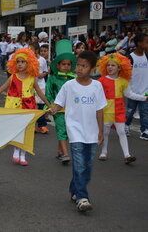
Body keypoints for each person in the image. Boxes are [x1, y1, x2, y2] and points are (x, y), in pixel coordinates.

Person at [50, 50, 107, 212]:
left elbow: (99, 110)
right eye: (79, 65)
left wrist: (101, 131)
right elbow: (59, 103)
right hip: (75, 131)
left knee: (87, 166)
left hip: (92, 131)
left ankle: (74, 189)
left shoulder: (97, 86)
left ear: (92, 69)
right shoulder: (69, 85)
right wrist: (53, 110)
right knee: (80, 164)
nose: (80, 69)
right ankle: (82, 197)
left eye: (84, 66)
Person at [0, 48, 51, 166]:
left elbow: (39, 93)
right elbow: (0, 89)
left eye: (23, 62)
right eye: (18, 62)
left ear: (29, 63)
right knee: (15, 130)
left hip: (28, 107)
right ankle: (16, 150)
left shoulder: (32, 78)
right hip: (14, 107)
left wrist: (49, 105)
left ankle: (23, 154)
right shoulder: (13, 77)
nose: (20, 64)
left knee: (26, 131)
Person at [97, 53, 136, 163]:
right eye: (108, 65)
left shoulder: (123, 81)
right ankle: (103, 152)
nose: (110, 67)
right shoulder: (101, 80)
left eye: (113, 65)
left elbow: (130, 94)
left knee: (122, 132)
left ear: (120, 68)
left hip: (119, 111)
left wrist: (144, 98)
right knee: (105, 132)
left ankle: (127, 155)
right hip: (106, 111)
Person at [46, 39, 77, 164]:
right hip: (58, 109)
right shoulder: (52, 78)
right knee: (61, 130)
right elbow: (48, 93)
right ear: (58, 65)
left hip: (72, 110)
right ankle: (65, 153)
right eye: (63, 64)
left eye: (69, 64)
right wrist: (52, 106)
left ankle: (60, 151)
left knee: (68, 131)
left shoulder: (75, 79)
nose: (66, 67)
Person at [125, 33, 148, 140]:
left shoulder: (147, 56)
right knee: (130, 112)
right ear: (138, 43)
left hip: (145, 91)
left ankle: (144, 131)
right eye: (146, 42)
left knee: (145, 112)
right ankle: (126, 125)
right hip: (132, 91)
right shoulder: (130, 57)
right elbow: (125, 74)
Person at [29, 42, 49, 134]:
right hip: (30, 85)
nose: (29, 51)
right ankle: (31, 125)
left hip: (40, 85)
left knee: (41, 106)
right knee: (32, 106)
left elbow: (45, 71)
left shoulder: (42, 60)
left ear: (36, 50)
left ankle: (42, 125)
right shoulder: (27, 60)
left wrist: (42, 74)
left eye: (31, 49)